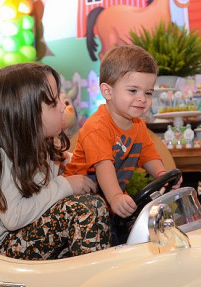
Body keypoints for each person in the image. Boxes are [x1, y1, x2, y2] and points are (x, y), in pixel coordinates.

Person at [0, 63, 111, 260]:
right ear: (23, 117)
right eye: (53, 103)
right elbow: (13, 217)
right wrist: (65, 185)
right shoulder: (4, 158)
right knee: (86, 208)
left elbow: (67, 164)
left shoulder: (46, 144)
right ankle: (92, 276)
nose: (63, 106)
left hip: (26, 237)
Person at [65, 45, 179, 218]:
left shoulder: (138, 125)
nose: (142, 99)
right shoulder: (97, 127)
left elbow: (149, 156)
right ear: (108, 91)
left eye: (148, 93)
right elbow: (104, 166)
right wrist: (116, 197)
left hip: (107, 198)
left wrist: (163, 175)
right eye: (133, 91)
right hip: (77, 203)